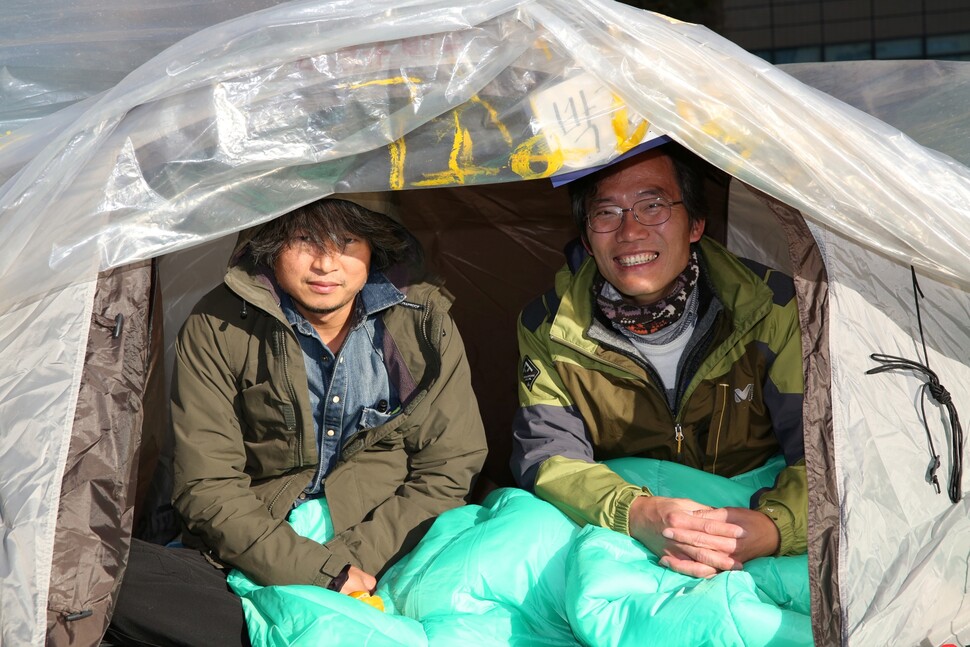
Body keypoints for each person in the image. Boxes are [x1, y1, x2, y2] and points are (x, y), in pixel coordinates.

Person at [106, 194, 487, 646]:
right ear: (269, 245)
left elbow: (447, 470)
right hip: (250, 555)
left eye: (347, 241)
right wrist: (317, 574)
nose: (326, 264)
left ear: (374, 248)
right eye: (305, 240)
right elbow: (208, 489)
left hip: (388, 554)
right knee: (98, 571)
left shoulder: (423, 327)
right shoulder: (218, 324)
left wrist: (345, 565)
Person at [510, 142, 807, 579]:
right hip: (627, 519)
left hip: (753, 509)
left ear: (695, 224)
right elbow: (551, 457)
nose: (630, 232)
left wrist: (774, 528)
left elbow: (827, 450)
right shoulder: (549, 326)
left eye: (653, 205)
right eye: (606, 213)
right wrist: (637, 513)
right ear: (587, 239)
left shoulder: (774, 308)